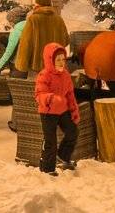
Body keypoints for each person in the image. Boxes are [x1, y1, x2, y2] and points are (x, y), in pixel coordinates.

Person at [34, 43, 80, 175]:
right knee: (51, 142)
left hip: (63, 110)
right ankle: (47, 168)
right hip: (48, 112)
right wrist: (51, 98)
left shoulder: (65, 75)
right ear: (50, 60)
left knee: (72, 132)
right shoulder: (44, 75)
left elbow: (70, 94)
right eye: (58, 60)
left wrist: (74, 110)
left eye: (63, 59)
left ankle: (63, 156)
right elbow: (39, 95)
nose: (61, 62)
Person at [14, 0, 68, 77]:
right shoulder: (59, 19)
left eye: (34, 4)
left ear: (38, 5)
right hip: (55, 66)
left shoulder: (33, 19)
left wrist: (22, 65)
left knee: (38, 89)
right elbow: (66, 41)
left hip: (37, 68)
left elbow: (26, 44)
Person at [0, 5, 29, 78]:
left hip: (18, 65)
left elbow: (9, 52)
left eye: (10, 21)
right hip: (28, 64)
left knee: (17, 86)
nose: (10, 24)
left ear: (14, 20)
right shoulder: (29, 27)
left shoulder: (17, 31)